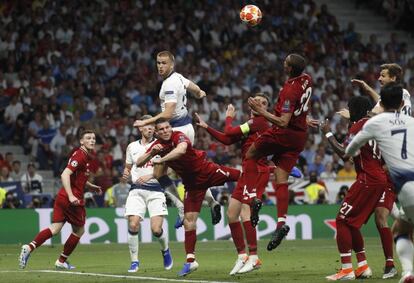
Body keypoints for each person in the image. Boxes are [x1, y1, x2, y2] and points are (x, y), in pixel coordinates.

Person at [136, 118, 240, 276]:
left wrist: (161, 159)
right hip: (192, 184)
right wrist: (152, 152)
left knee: (242, 175)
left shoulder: (178, 135)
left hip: (207, 171)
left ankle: (278, 170)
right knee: (188, 222)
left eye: (167, 127)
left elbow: (181, 150)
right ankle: (191, 261)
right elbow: (138, 162)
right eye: (162, 129)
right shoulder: (157, 145)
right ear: (156, 133)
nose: (165, 131)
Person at [133, 50, 221, 226]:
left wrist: (147, 121)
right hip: (186, 128)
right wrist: (200, 93)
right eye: (158, 63)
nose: (160, 66)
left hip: (175, 132)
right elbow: (195, 88)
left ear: (172, 64)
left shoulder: (170, 84)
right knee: (190, 172)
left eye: (164, 63)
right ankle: (212, 202)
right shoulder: (178, 77)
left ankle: (181, 208)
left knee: (159, 172)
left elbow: (168, 112)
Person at [345, 83, 414, 283]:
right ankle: (405, 271)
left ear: (381, 102)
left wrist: (349, 153)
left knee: (400, 230)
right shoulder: (410, 121)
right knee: (401, 227)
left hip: (405, 185)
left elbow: (351, 148)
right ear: (402, 103)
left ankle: (408, 272)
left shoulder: (374, 123)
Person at [195, 93, 270, 275]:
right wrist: (207, 127)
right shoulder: (250, 125)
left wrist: (229, 116)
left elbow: (229, 131)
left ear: (266, 108)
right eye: (256, 100)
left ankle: (254, 256)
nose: (259, 103)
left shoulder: (259, 122)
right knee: (231, 213)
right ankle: (242, 255)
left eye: (263, 102)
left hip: (257, 171)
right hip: (247, 172)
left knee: (246, 210)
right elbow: (228, 140)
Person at [245, 53, 313, 251]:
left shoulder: (290, 90)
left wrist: (261, 111)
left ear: (290, 68)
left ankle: (253, 196)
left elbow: (283, 121)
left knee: (251, 154)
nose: (283, 63)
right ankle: (281, 223)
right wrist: (303, 119)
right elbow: (299, 109)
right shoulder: (307, 79)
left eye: (286, 62)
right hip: (300, 136)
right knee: (281, 179)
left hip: (283, 134)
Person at [321, 96, 390, 280]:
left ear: (356, 109)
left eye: (350, 107)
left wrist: (327, 134)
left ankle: (346, 269)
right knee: (353, 223)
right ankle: (362, 266)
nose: (348, 111)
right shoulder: (375, 125)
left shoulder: (358, 126)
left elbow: (345, 155)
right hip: (378, 178)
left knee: (342, 220)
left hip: (367, 179)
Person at [18, 130, 102, 270]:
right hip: (71, 199)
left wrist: (90, 186)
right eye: (88, 138)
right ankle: (61, 261)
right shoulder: (80, 155)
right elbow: (65, 174)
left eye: (93, 138)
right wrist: (71, 196)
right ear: (81, 141)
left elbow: (77, 177)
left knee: (55, 228)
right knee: (79, 230)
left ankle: (29, 247)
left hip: (63, 197)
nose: (92, 140)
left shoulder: (85, 156)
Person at [122, 115, 173, 272]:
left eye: (152, 126)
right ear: (140, 128)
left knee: (156, 229)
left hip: (156, 190)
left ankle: (165, 251)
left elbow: (169, 169)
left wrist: (151, 176)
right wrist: (125, 172)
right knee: (133, 223)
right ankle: (134, 261)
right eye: (147, 126)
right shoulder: (131, 147)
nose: (150, 128)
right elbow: (128, 167)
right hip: (136, 190)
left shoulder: (163, 145)